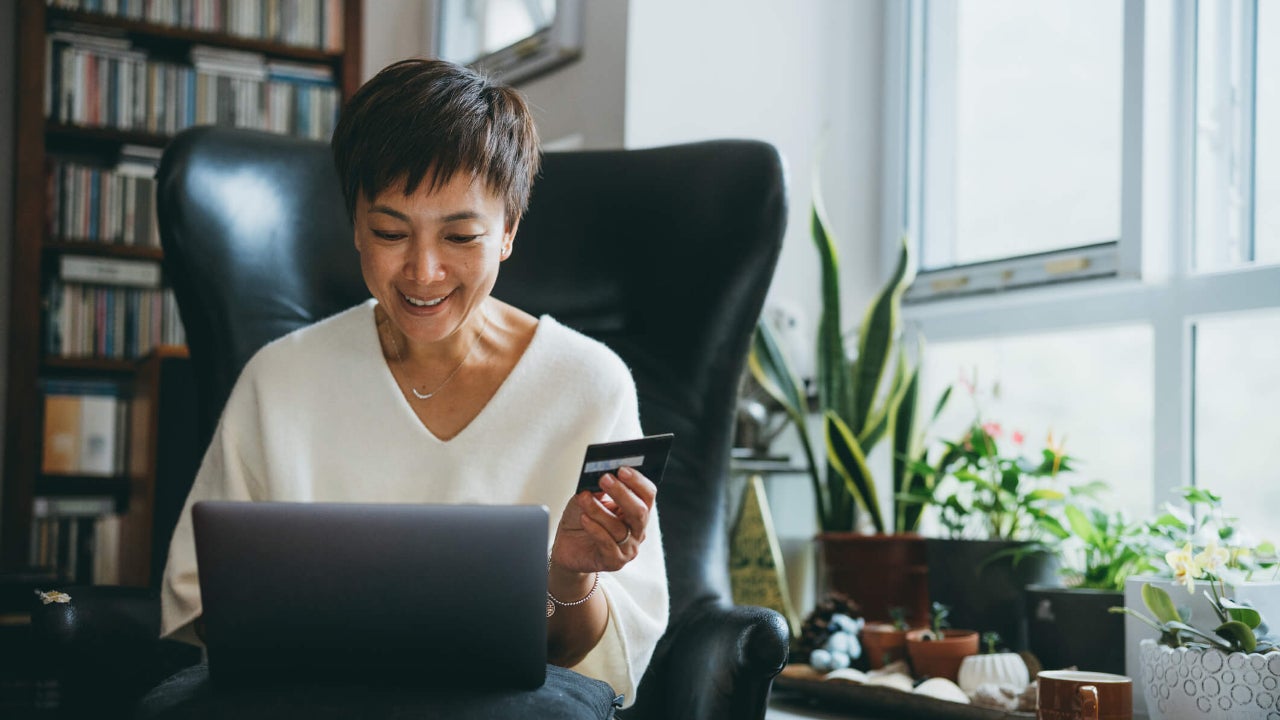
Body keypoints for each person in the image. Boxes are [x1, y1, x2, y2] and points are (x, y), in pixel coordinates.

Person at [159, 58, 668, 706]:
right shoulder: (281, 377)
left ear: (508, 231)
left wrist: (569, 574)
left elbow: (593, 666)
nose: (423, 272)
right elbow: (199, 608)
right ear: (355, 225)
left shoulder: (590, 385)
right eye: (390, 232)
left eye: (460, 235)